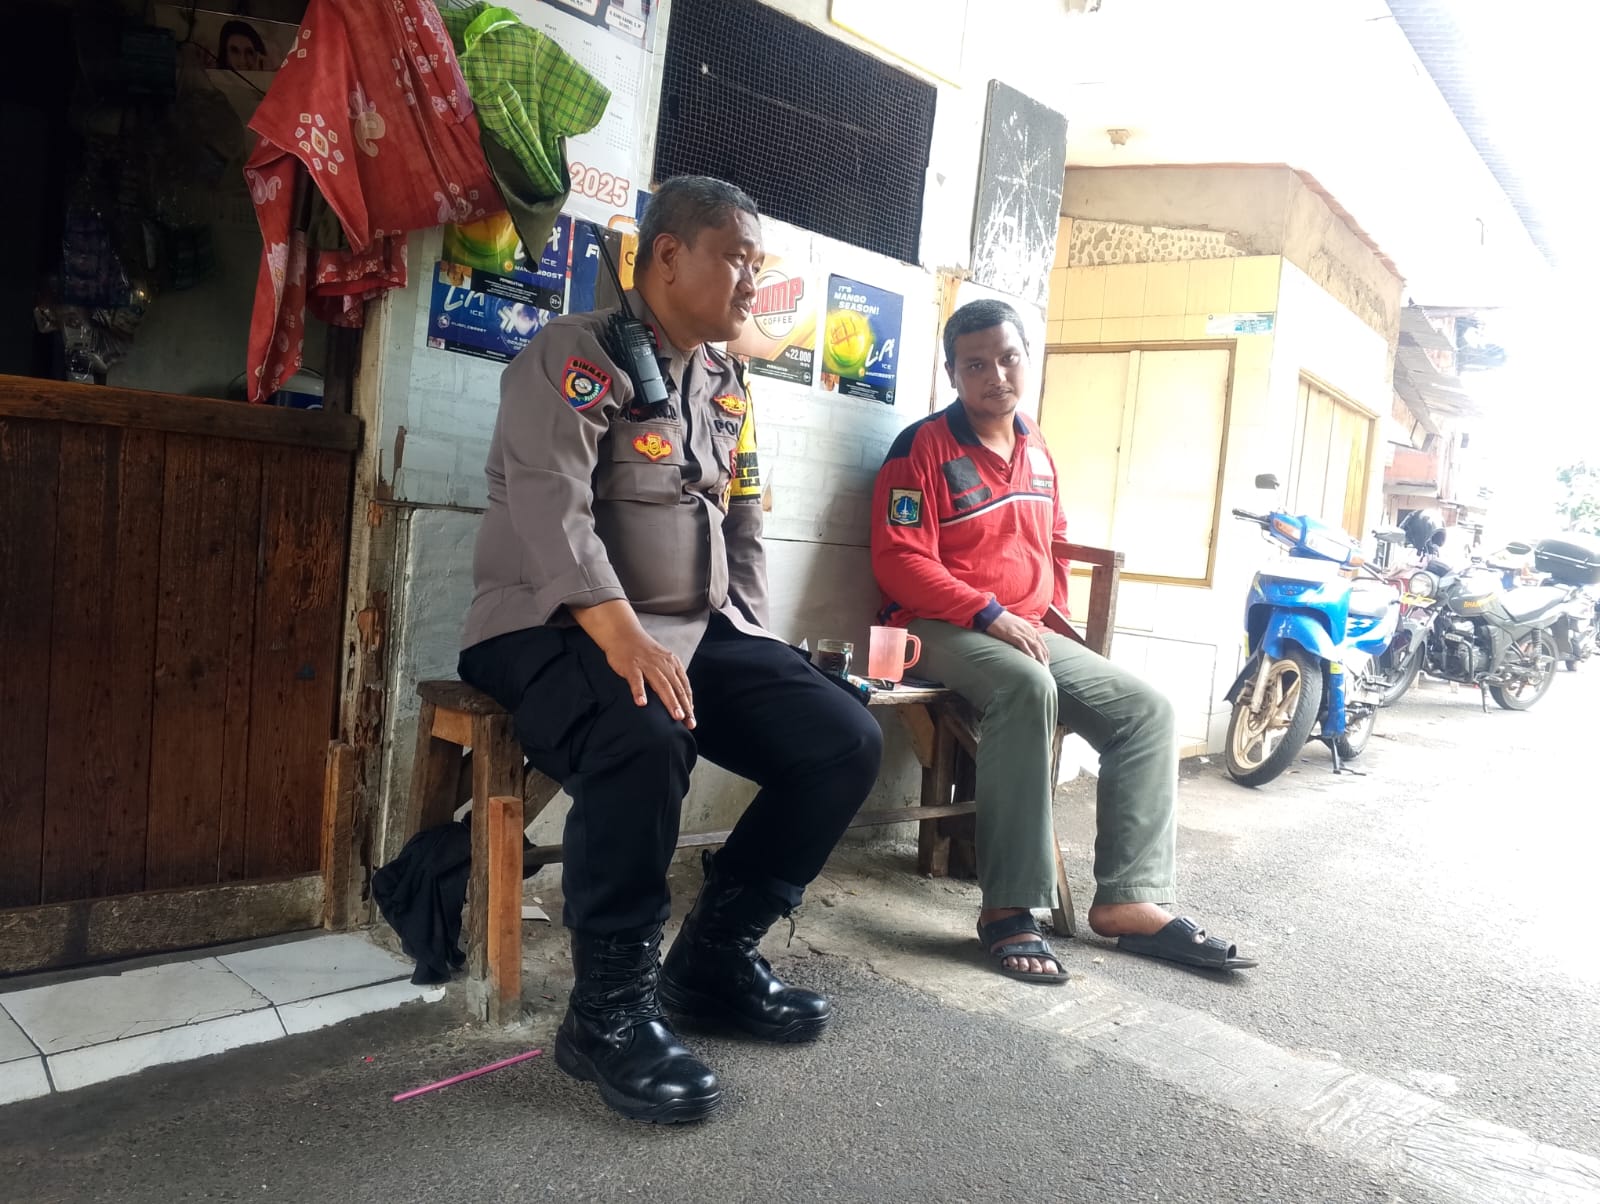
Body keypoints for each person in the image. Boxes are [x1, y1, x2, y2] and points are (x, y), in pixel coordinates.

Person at [458, 176, 883, 1123]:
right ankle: (606, 1012)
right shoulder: (575, 354)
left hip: (693, 627)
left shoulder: (723, 383)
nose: (752, 282)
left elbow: (739, 526)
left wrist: (761, 647)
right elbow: (551, 505)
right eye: (737, 258)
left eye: (757, 264)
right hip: (542, 622)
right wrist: (620, 633)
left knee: (843, 738)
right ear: (667, 257)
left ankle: (713, 961)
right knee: (644, 735)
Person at [869, 299, 1255, 984]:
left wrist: (1051, 614)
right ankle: (1008, 906)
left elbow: (1052, 537)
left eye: (1008, 358)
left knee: (1146, 711)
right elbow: (899, 561)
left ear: (1027, 359)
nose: (996, 375)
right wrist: (990, 613)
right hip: (931, 627)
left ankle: (1128, 898)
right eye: (975, 365)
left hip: (1023, 627)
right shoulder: (921, 448)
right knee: (1027, 687)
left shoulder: (1036, 445)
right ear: (952, 373)